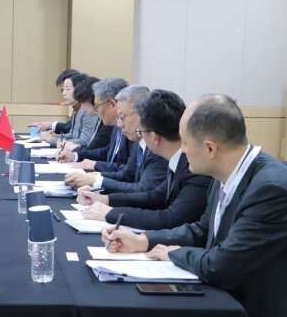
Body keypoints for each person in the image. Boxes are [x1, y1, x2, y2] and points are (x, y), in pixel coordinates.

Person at [102, 94, 287, 317]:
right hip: (238, 307)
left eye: (186, 142)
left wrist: (174, 254)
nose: (182, 150)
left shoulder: (272, 189)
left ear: (210, 148)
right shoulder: (227, 173)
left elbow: (222, 265)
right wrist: (145, 241)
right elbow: (202, 231)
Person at [78, 89, 212, 229]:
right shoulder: (177, 159)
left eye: (141, 131)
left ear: (155, 137)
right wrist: (105, 199)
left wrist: (111, 213)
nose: (140, 137)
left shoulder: (195, 167)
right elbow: (155, 196)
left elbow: (171, 218)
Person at [66, 85, 166, 193]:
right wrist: (96, 177)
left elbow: (145, 191)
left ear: (141, 114)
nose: (119, 124)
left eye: (122, 117)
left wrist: (98, 181)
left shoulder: (155, 145)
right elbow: (127, 175)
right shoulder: (139, 141)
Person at [57, 77, 129, 170]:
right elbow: (107, 152)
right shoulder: (116, 126)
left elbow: (129, 171)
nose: (96, 110)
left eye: (97, 106)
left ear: (112, 104)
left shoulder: (131, 129)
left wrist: (95, 167)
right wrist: (75, 156)